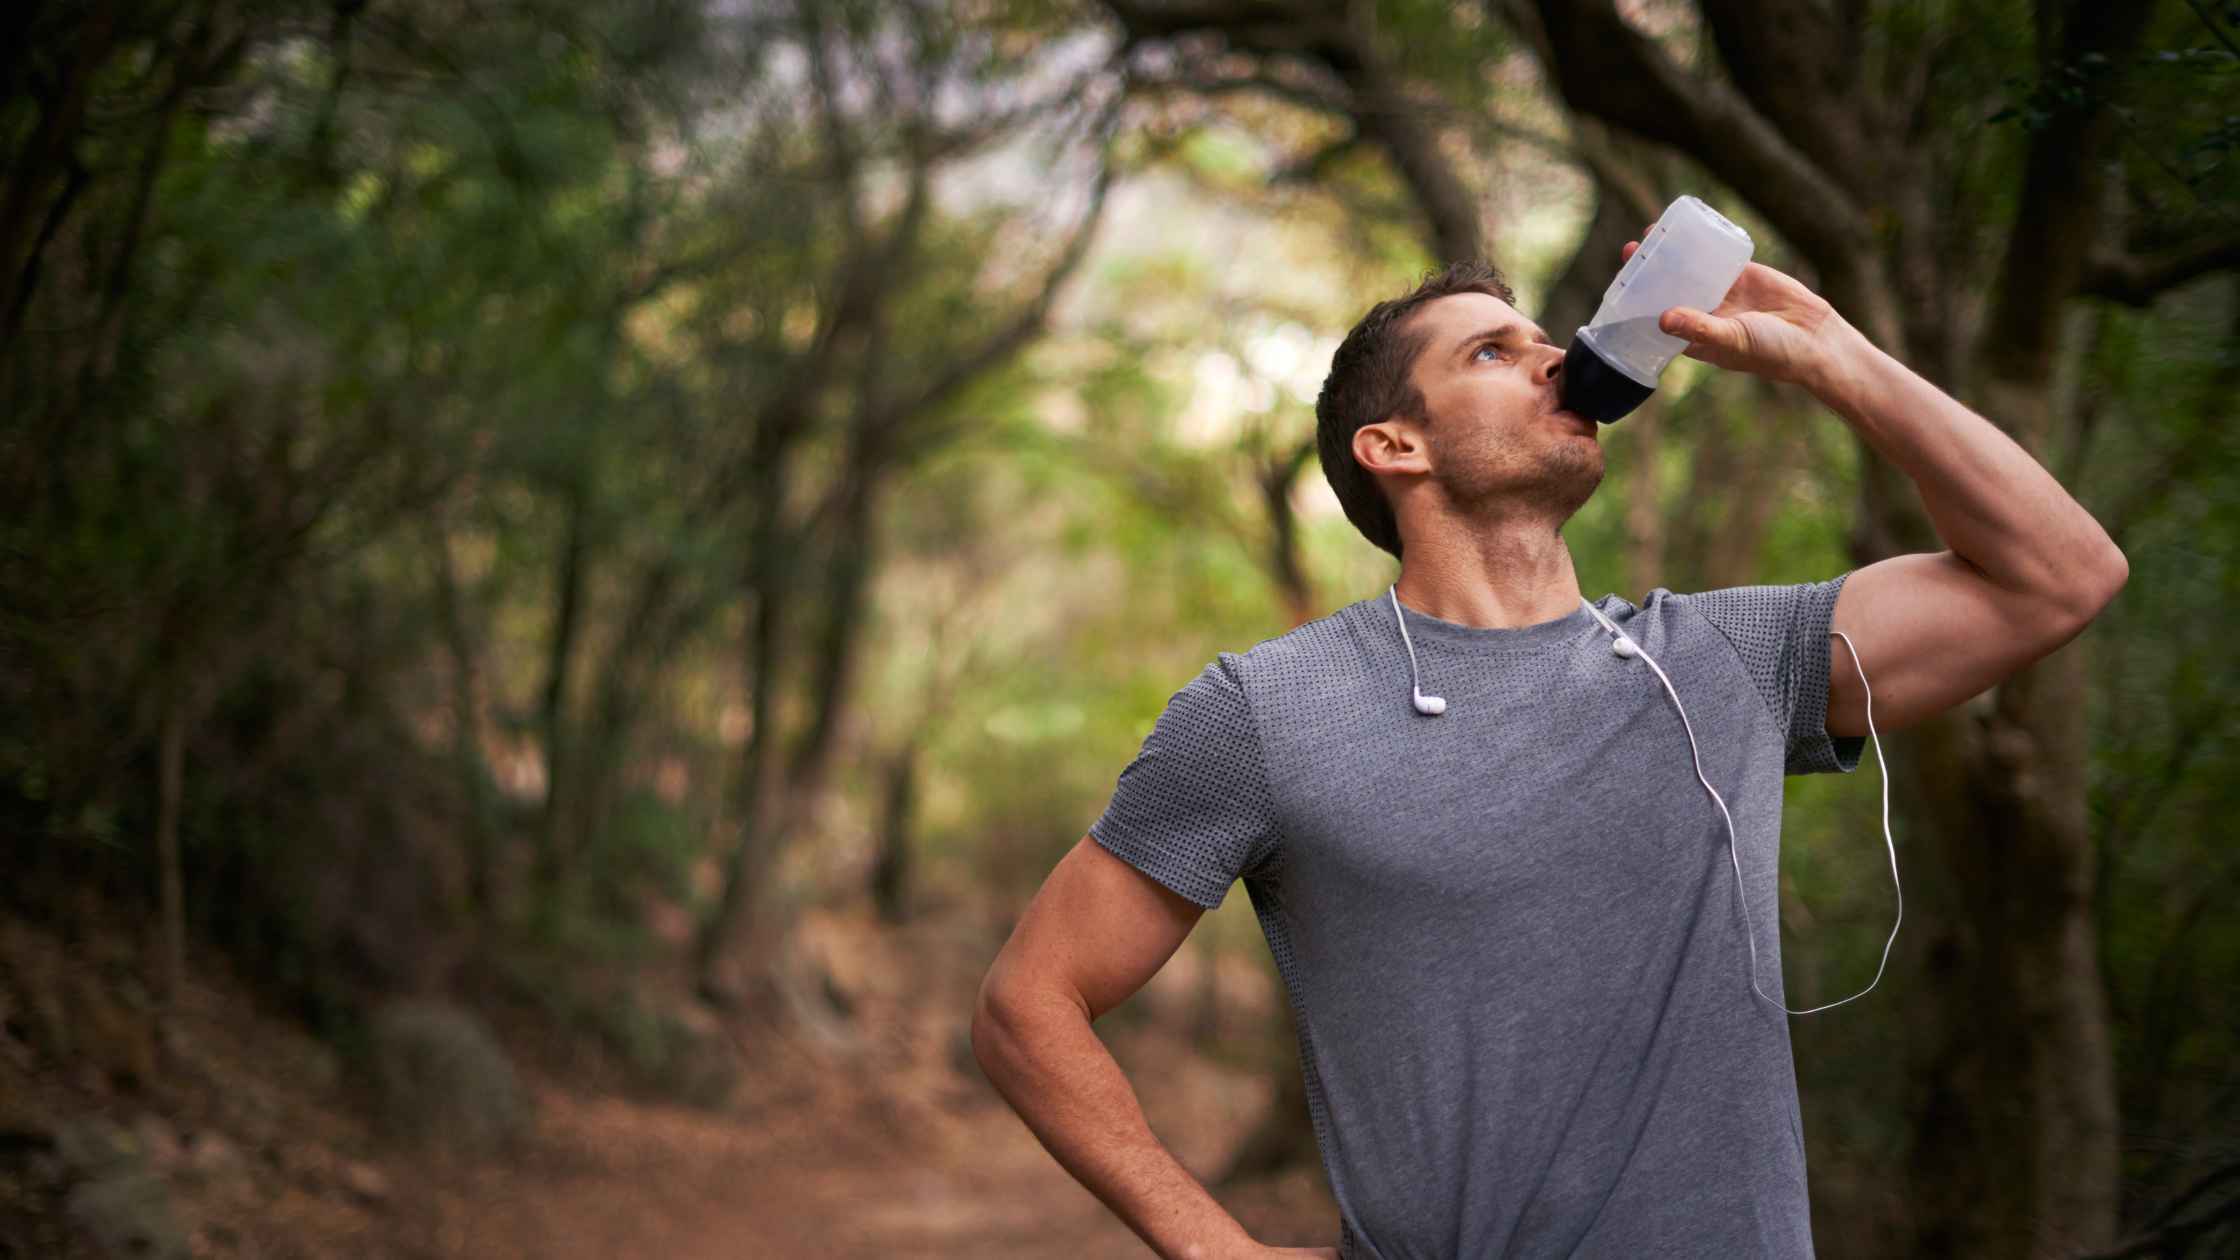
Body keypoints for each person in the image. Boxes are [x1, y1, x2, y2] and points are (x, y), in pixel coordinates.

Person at [970, 239, 2128, 1259]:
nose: (1553, 360)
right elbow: (1028, 1005)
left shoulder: (1718, 661)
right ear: (1392, 445)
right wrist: (1211, 1248)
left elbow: (2060, 575)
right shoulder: (1265, 711)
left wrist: (1831, 354)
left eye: (1543, 341)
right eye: (1490, 352)